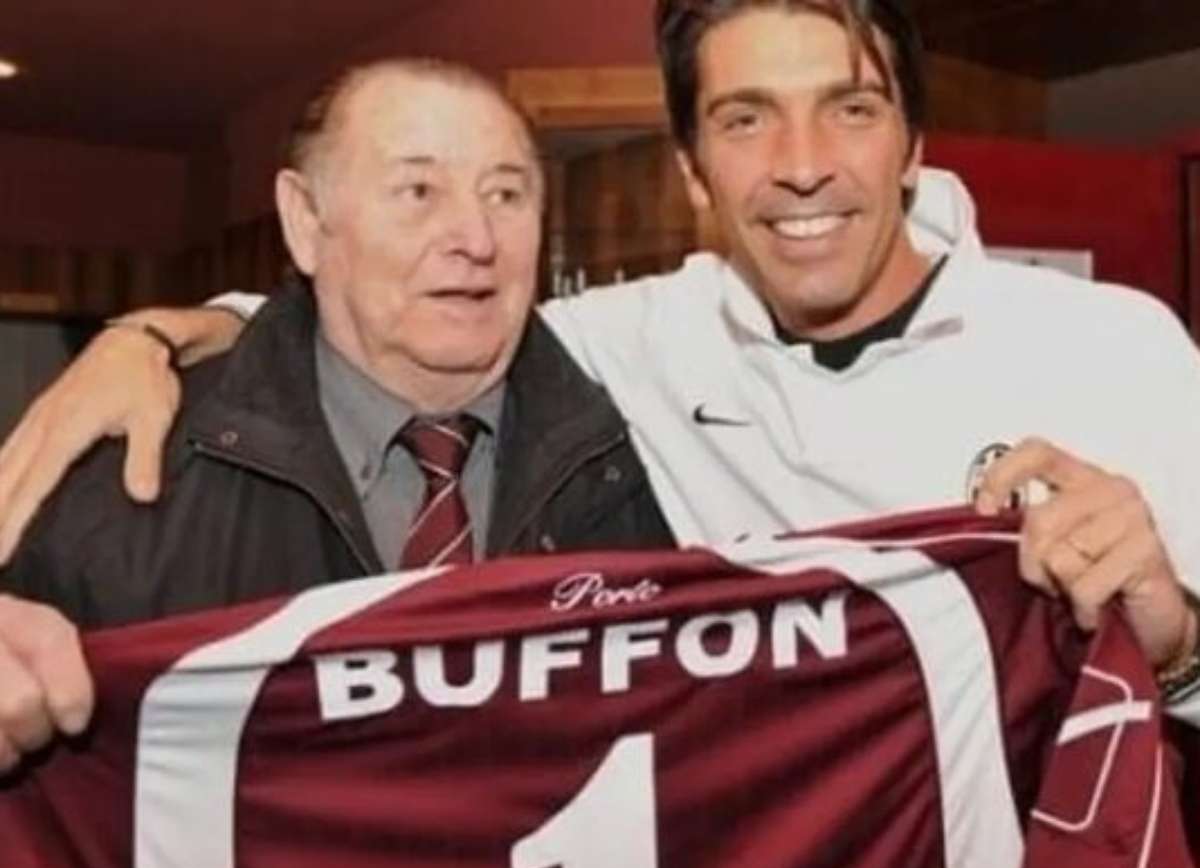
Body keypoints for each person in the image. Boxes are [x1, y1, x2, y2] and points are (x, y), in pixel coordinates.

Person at [3, 0, 1200, 754]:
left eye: (849, 108)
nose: (802, 165)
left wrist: (1180, 643)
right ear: (692, 171)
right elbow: (386, 312)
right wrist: (155, 336)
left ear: (911, 146)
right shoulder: (632, 342)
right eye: (745, 120)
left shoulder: (1122, 346)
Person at [0, 58, 673, 772]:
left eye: (506, 194)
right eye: (418, 191)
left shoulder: (643, 452)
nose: (476, 239)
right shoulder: (125, 477)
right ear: (305, 221)